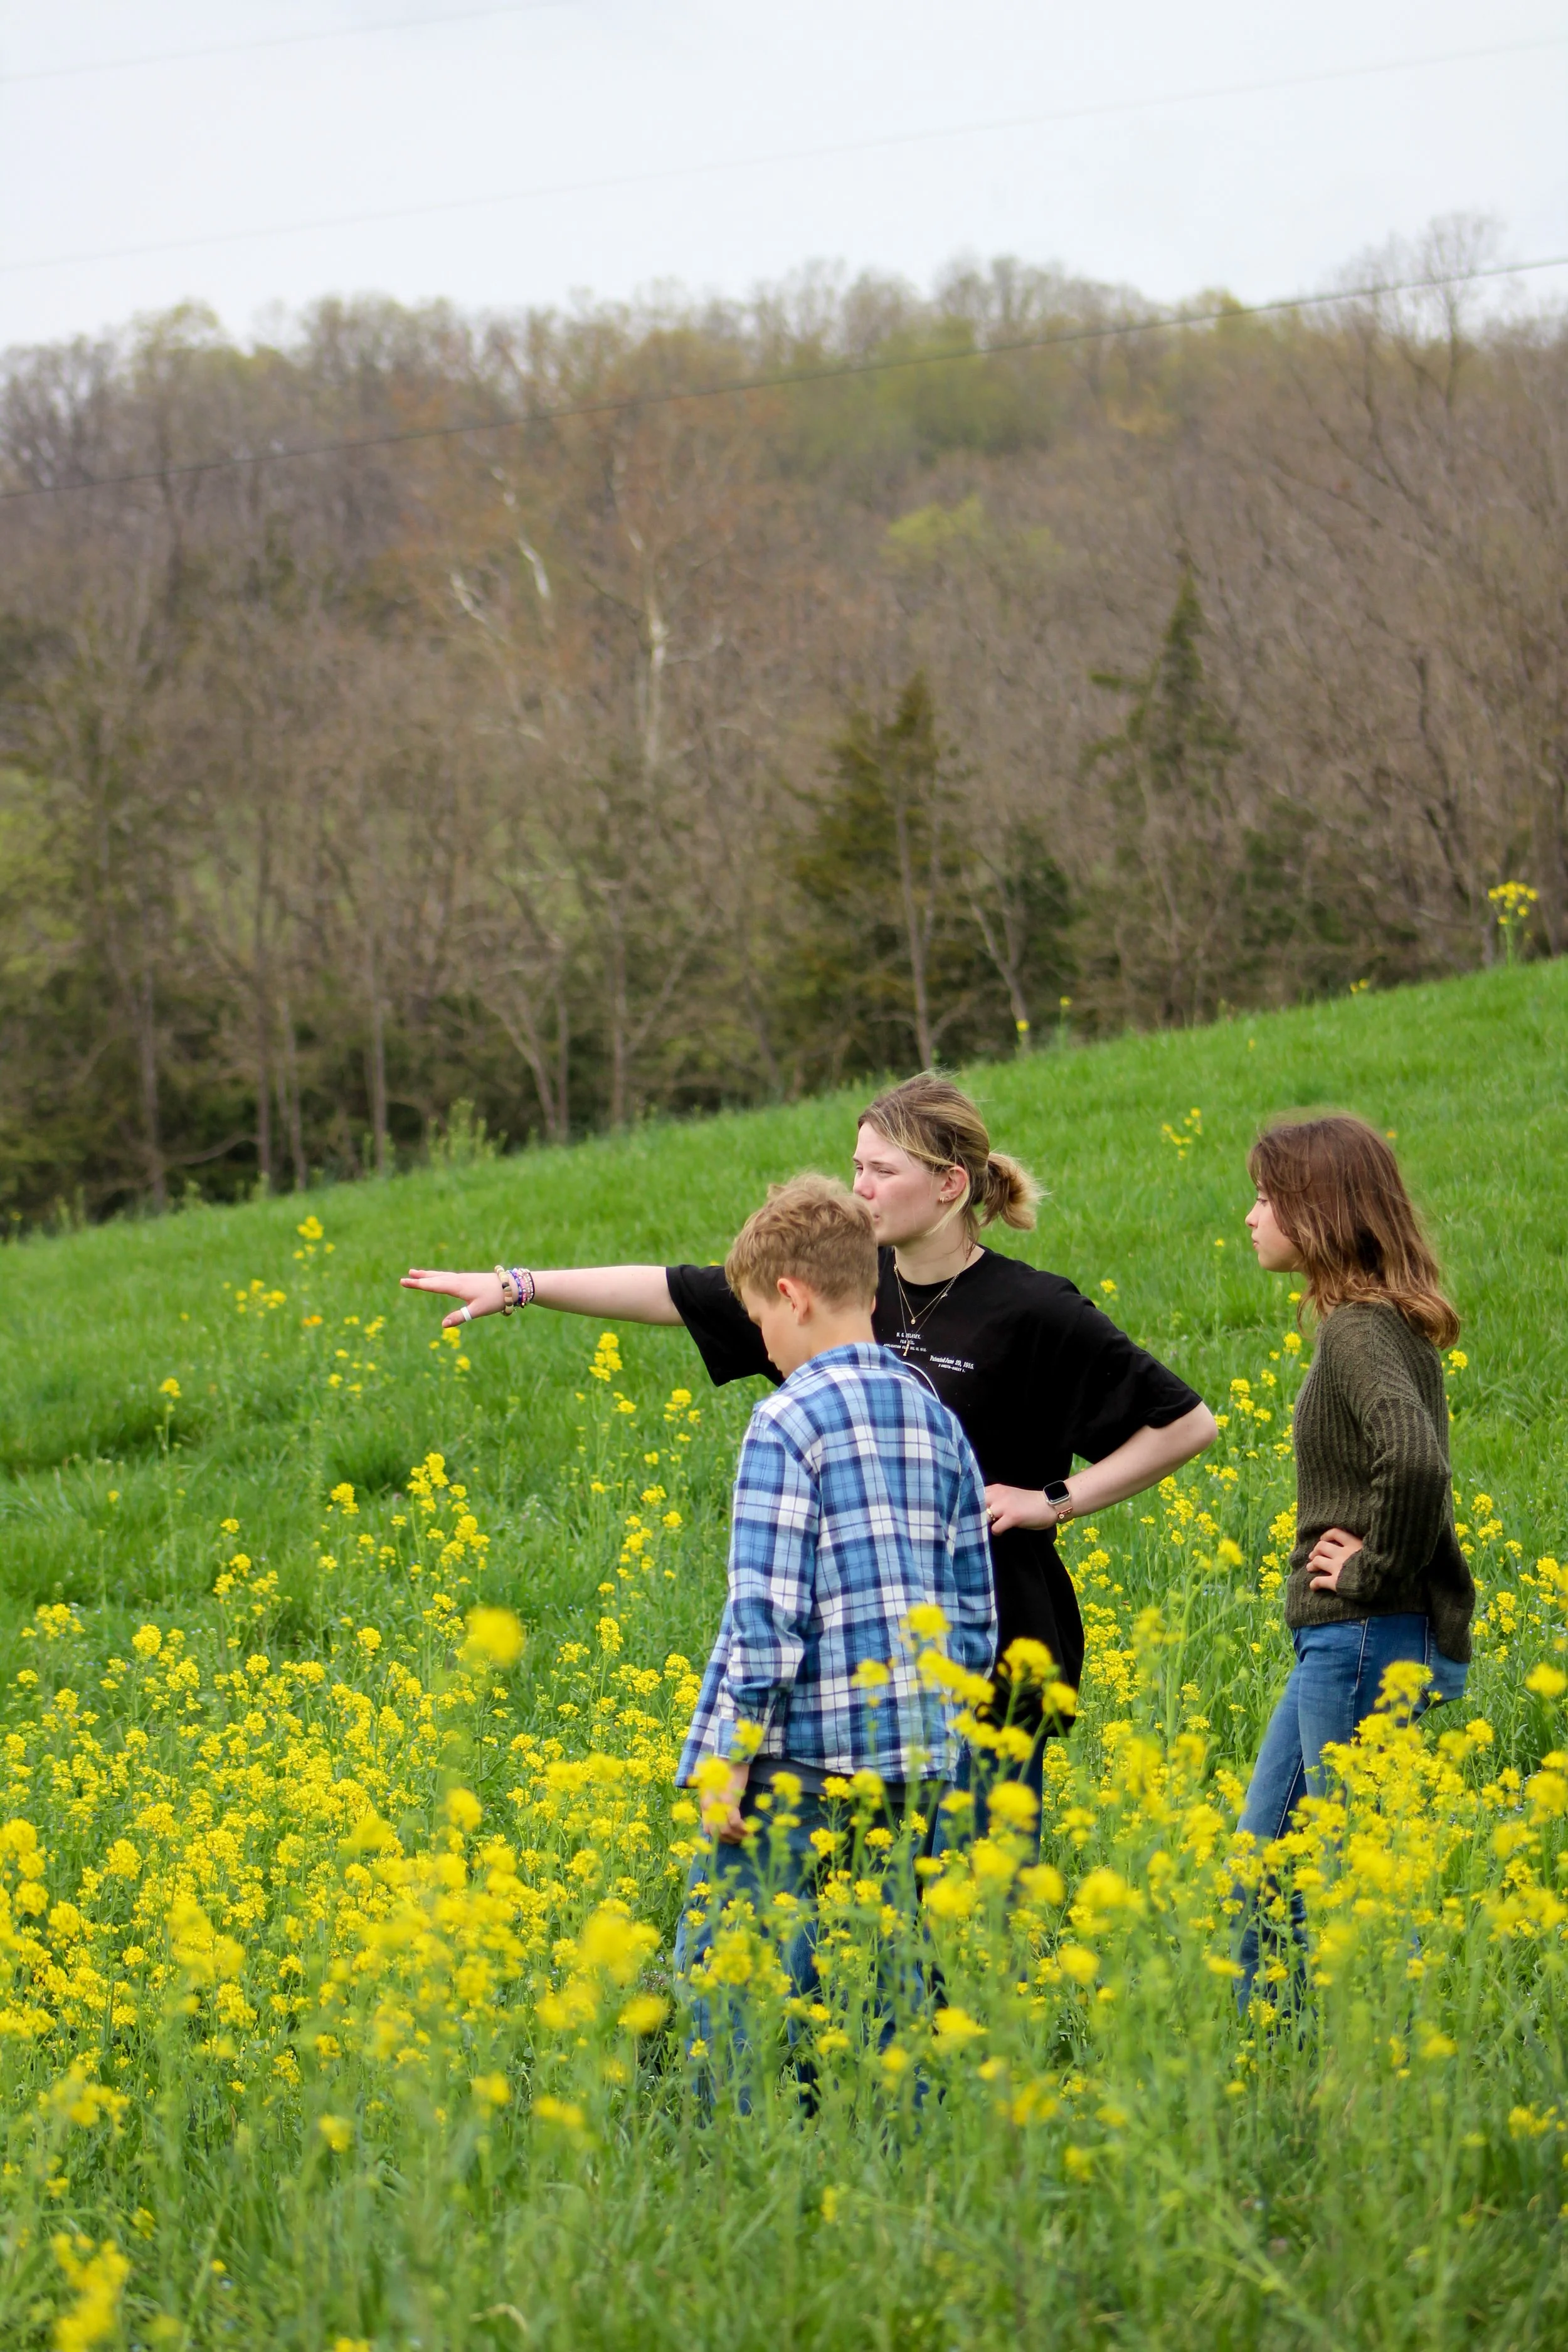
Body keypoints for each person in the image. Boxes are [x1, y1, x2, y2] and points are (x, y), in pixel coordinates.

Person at [400, 1073, 1216, 1808]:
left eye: (881, 1171)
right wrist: (520, 1286)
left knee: (974, 1917)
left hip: (993, 1650)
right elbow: (675, 1290)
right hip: (862, 1675)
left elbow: (1186, 1422)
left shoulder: (1034, 1310)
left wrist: (1055, 1501)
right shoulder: (840, 1287)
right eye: (855, 1166)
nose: (860, 1189)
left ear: (950, 1184)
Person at [665, 1173, 995, 2084]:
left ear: (792, 1295)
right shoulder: (937, 1419)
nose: (763, 1347)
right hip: (913, 1765)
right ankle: (898, 2146)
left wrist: (730, 1755)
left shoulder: (785, 1419)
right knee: (888, 1977)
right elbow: (974, 1608)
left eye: (759, 1323)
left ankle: (730, 2148)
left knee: (736, 1973)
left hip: (794, 1763)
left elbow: (766, 1615)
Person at [1235, 1114, 1473, 2006]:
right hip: (1347, 1642)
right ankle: (1278, 2066)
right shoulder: (1379, 1323)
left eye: (1268, 1197)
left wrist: (1372, 1572)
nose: (1252, 1216)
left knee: (1353, 1879)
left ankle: (1387, 2080)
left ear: (1320, 1210)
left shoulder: (1359, 1330)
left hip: (1362, 1634)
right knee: (1267, 1864)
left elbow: (1413, 1458)